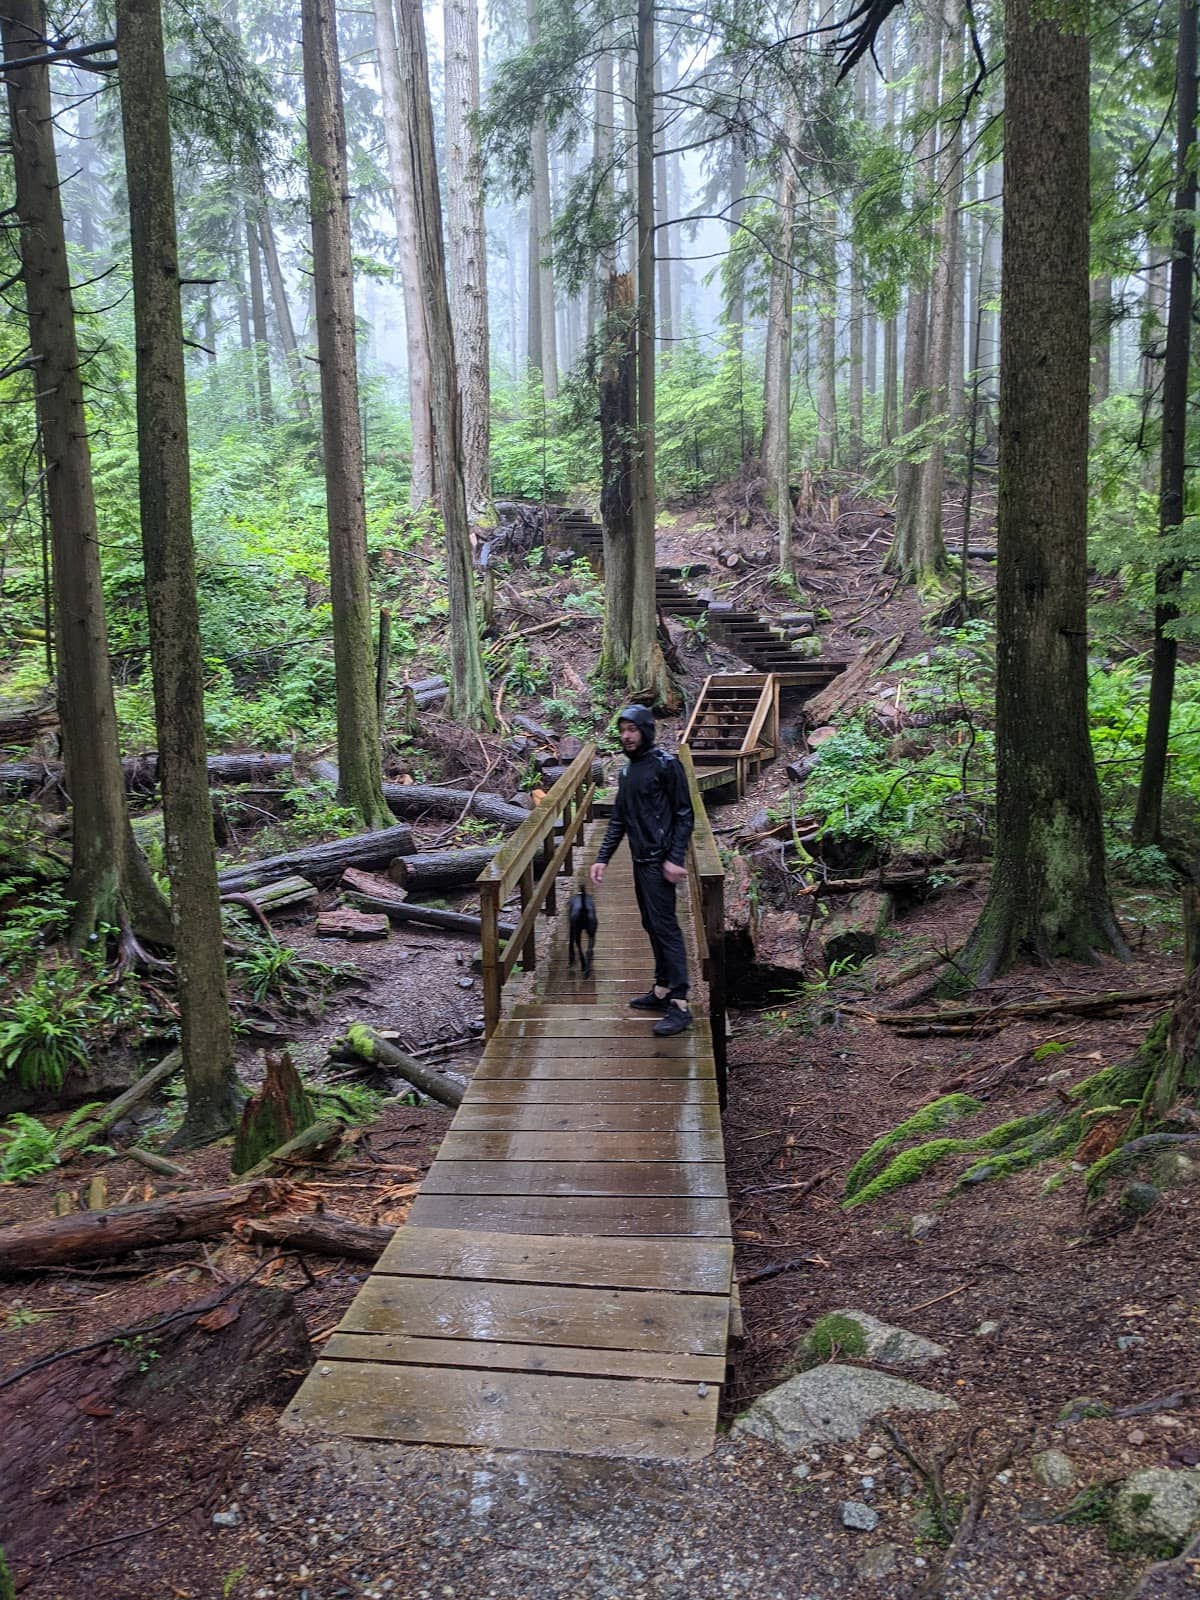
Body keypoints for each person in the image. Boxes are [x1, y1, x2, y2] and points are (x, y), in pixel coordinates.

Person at [589, 704, 694, 1036]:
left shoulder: (667, 765)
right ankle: (662, 988)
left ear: (646, 730)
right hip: (639, 860)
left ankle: (680, 1003)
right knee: (651, 924)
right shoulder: (627, 771)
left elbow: (684, 813)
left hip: (661, 861)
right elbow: (619, 818)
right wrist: (602, 857)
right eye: (622, 731)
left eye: (632, 730)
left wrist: (675, 858)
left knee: (666, 928)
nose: (626, 736)